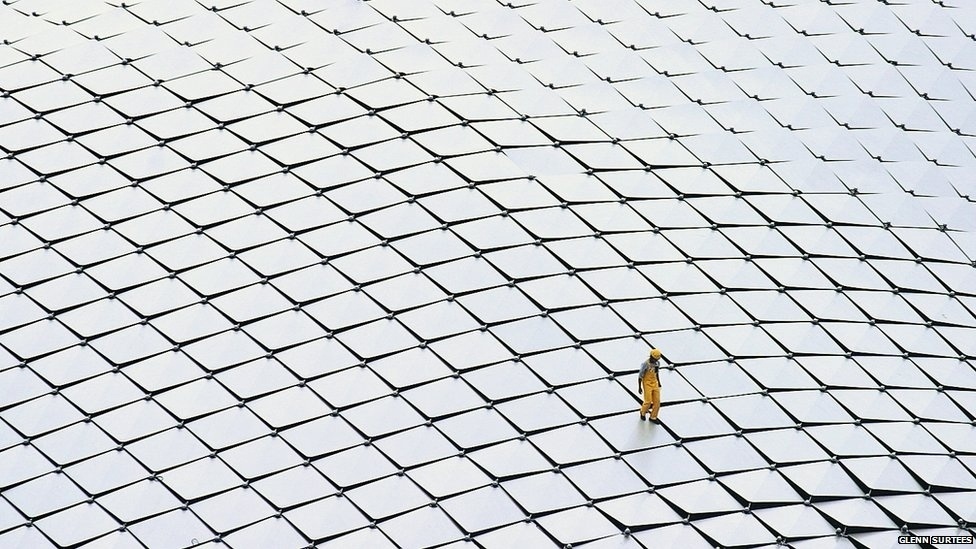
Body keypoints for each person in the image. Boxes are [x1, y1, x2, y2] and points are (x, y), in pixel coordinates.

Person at [638, 348, 662, 422]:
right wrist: (639, 387)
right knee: (648, 401)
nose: (655, 361)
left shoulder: (657, 363)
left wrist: (659, 382)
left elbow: (656, 373)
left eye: (657, 359)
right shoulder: (645, 364)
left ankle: (653, 417)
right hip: (647, 383)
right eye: (655, 359)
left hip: (654, 383)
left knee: (657, 402)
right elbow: (640, 376)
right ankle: (642, 412)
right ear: (651, 357)